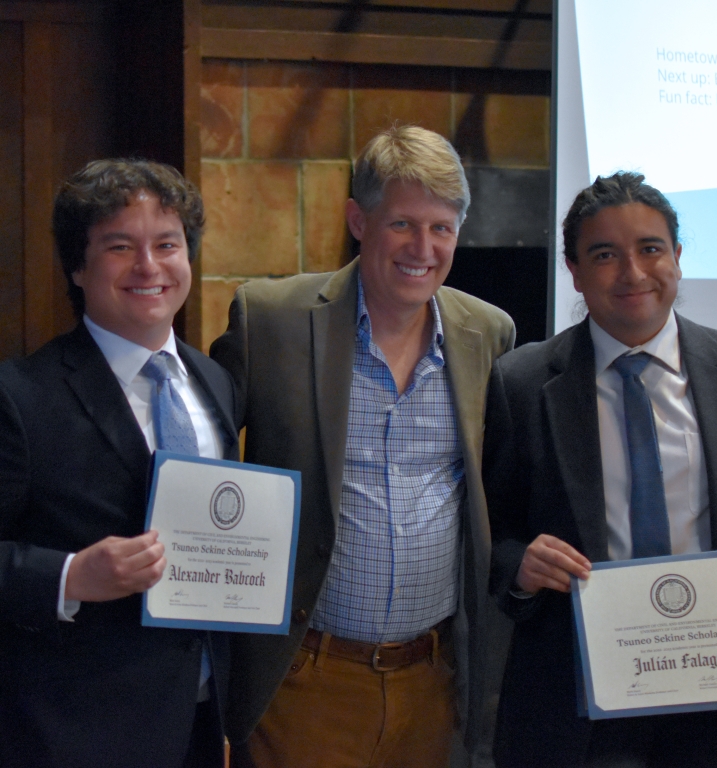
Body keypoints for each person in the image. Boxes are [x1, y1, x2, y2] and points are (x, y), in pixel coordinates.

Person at [211, 124, 515, 768]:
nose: (422, 248)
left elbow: (504, 487)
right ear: (358, 218)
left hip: (434, 687)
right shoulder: (271, 319)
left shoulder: (487, 333)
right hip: (305, 682)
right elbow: (197, 445)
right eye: (403, 223)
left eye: (442, 228)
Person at [483, 171, 717, 768]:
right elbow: (492, 537)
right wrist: (521, 564)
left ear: (679, 258)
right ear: (575, 271)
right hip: (583, 700)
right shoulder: (523, 382)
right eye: (605, 255)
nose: (633, 273)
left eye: (650, 249)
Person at [0, 159, 239, 768]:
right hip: (72, 734)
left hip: (201, 720)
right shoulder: (22, 396)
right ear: (78, 267)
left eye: (167, 244)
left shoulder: (214, 380)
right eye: (119, 246)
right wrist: (69, 576)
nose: (149, 267)